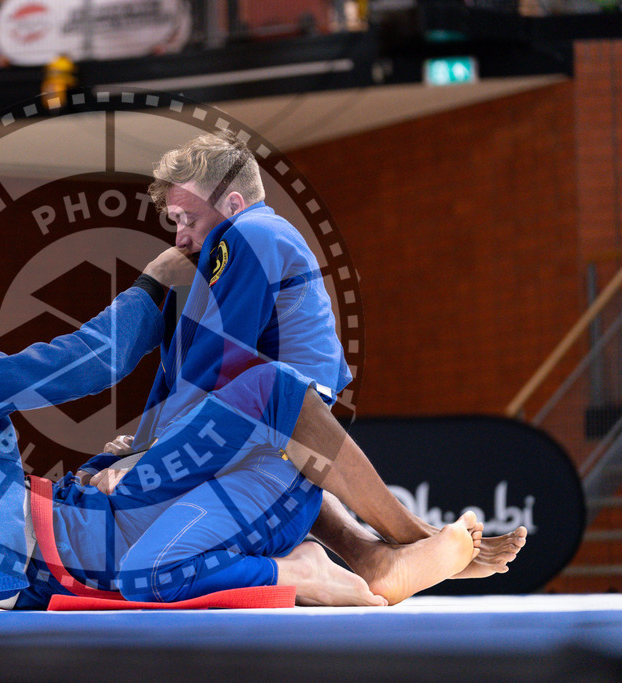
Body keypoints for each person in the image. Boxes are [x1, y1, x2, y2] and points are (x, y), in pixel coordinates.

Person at [0, 247, 492, 611]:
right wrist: (156, 282)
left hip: (33, 561)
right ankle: (360, 553)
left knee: (188, 448)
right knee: (262, 417)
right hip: (62, 548)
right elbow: (92, 361)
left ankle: (367, 553)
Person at [93, 130, 525, 583]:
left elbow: (216, 366)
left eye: (187, 220)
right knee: (276, 459)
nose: (178, 239)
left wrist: (152, 451)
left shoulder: (246, 235)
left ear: (233, 206)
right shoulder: (237, 250)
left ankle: (412, 536)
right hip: (273, 434)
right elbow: (193, 374)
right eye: (174, 222)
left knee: (264, 432)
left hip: (271, 418)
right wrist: (145, 443)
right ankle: (378, 557)